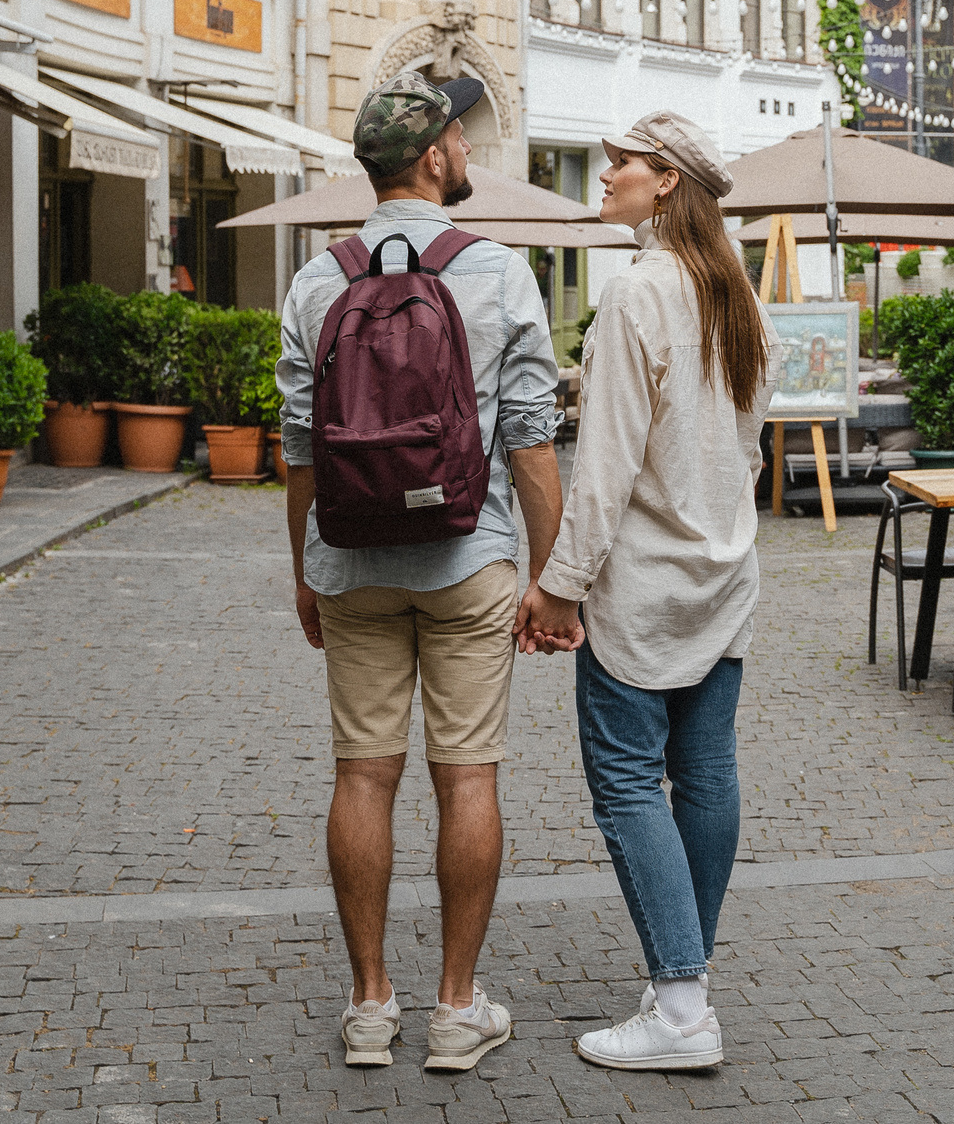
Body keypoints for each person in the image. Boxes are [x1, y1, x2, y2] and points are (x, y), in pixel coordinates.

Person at [277, 72, 564, 1074]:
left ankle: (367, 1007)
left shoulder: (317, 280)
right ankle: (453, 1009)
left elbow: (300, 447)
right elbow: (530, 440)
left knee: (361, 772)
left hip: (350, 560)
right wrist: (553, 574)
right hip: (467, 558)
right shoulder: (494, 271)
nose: (467, 151)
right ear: (434, 155)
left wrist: (305, 569)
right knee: (466, 774)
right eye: (459, 138)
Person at [514, 111, 773, 1072]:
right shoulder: (737, 295)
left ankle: (678, 1006)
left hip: (642, 585)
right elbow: (745, 451)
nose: (605, 174)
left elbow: (606, 467)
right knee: (704, 777)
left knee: (628, 781)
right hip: (725, 573)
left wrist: (557, 586)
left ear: (666, 179)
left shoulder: (634, 294)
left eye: (619, 162)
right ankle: (684, 984)